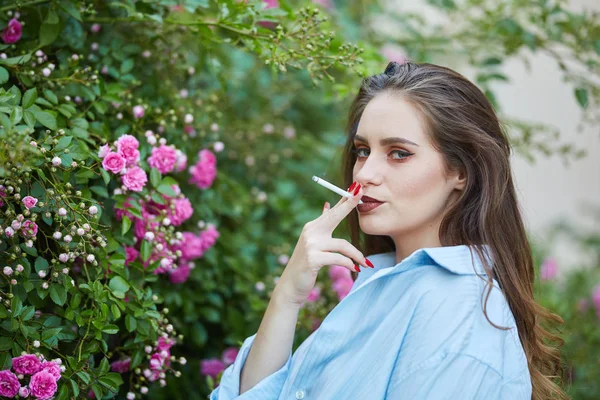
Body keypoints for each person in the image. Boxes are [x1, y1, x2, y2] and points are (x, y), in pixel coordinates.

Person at [210, 61, 567, 400]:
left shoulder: (456, 314)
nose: (364, 174)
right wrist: (288, 295)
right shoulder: (383, 281)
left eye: (398, 153)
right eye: (362, 150)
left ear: (461, 171)